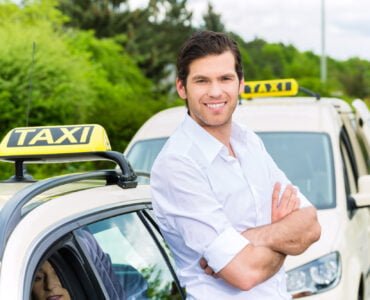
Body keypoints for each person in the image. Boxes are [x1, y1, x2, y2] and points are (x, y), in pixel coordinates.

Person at [150, 31, 321, 299]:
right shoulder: (177, 164)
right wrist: (286, 237)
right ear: (182, 87)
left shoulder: (248, 141)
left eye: (225, 79)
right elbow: (245, 272)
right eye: (202, 81)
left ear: (240, 83)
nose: (215, 91)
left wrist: (249, 237)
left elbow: (310, 225)